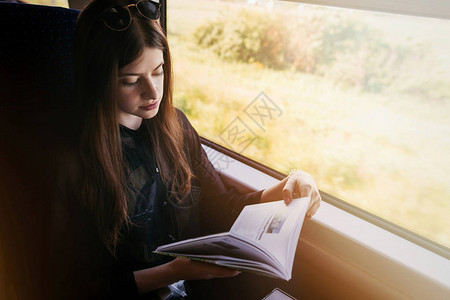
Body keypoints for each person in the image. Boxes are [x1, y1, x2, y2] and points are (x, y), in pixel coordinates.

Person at [69, 0, 321, 298]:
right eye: (131, 81)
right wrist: (172, 272)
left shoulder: (175, 127)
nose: (153, 93)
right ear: (99, 80)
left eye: (159, 71)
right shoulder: (72, 160)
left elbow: (221, 206)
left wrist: (285, 188)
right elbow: (79, 286)